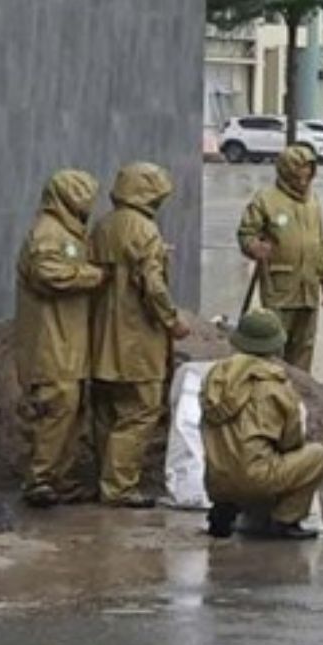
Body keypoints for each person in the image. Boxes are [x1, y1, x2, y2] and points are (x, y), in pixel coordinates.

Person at [89, 163, 191, 509]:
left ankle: (102, 478)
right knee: (141, 409)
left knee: (106, 410)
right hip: (136, 337)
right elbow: (153, 284)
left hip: (101, 333)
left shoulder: (102, 226)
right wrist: (172, 319)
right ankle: (119, 486)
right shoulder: (145, 229)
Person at [14, 170, 108, 508]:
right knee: (57, 405)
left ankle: (59, 478)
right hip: (50, 341)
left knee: (70, 408)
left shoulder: (69, 233)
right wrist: (96, 275)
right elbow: (48, 274)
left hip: (69, 340)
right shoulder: (49, 234)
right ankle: (41, 478)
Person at [203, 309, 323, 540]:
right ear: (276, 346)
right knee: (317, 455)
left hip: (215, 480)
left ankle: (225, 507)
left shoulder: (214, 378)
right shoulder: (276, 385)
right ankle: (284, 520)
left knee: (236, 457)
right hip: (255, 480)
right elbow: (291, 440)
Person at [238, 146, 323, 372]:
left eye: (309, 169)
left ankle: (301, 393)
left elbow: (320, 243)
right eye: (300, 169)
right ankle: (273, 387)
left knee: (305, 345)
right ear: (287, 170)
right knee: (276, 343)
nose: (305, 176)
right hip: (279, 286)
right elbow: (246, 232)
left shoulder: (313, 201)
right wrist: (254, 246)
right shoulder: (266, 199)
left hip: (308, 287)